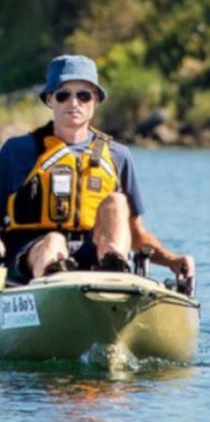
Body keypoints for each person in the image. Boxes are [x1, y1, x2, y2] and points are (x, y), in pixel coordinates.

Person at [0, 54, 195, 286]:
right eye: (63, 95)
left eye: (83, 95)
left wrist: (172, 261)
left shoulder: (118, 155)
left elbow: (136, 233)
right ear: (50, 100)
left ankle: (115, 272)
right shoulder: (17, 151)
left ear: (95, 101)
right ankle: (55, 276)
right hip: (33, 254)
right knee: (53, 241)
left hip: (94, 255)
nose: (74, 103)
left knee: (117, 202)